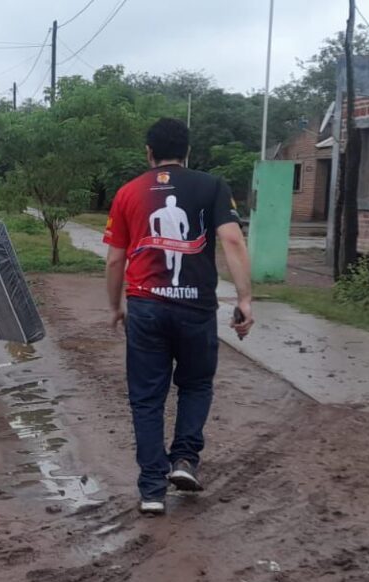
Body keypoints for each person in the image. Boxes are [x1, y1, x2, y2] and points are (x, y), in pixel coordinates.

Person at [104, 117, 255, 516]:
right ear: (188, 152)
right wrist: (245, 299)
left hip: (146, 306)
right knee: (195, 385)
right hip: (195, 307)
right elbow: (232, 239)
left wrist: (115, 305)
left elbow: (116, 257)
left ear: (148, 153)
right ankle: (185, 461)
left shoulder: (128, 193)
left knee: (147, 397)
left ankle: (152, 489)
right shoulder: (212, 186)